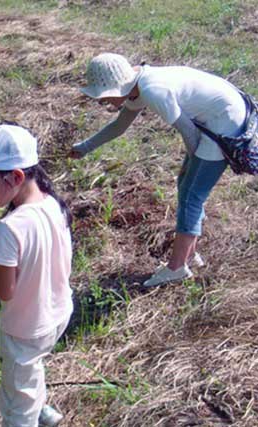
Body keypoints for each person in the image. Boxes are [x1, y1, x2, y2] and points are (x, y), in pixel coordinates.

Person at [70, 53, 247, 287]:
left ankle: (176, 268)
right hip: (213, 119)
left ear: (117, 87)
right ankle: (189, 255)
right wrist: (84, 147)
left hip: (226, 120)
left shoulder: (153, 91)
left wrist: (193, 167)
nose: (104, 102)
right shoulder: (136, 86)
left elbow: (189, 133)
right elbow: (119, 126)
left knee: (192, 195)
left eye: (105, 97)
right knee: (185, 187)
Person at [0, 123, 72, 427]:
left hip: (25, 328)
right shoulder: (52, 203)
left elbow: (4, 291)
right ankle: (44, 410)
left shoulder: (10, 227)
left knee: (15, 404)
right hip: (57, 314)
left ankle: (29, 414)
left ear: (15, 177)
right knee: (32, 367)